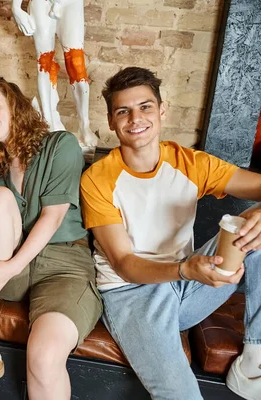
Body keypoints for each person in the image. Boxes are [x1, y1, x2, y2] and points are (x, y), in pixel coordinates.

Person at [80, 66, 261, 400]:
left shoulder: (189, 163)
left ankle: (254, 358)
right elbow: (123, 263)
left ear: (162, 111)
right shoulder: (98, 178)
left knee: (258, 227)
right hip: (131, 293)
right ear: (111, 121)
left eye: (145, 106)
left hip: (188, 286)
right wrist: (184, 269)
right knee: (181, 395)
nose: (136, 118)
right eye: (124, 111)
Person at [0, 77, 101, 399]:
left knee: (44, 356)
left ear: (16, 107)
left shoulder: (60, 145)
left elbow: (53, 216)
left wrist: (7, 269)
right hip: (10, 265)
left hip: (63, 267)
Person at [11, 0, 98, 150]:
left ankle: (84, 125)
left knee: (77, 65)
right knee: (44, 63)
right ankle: (48, 122)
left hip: (70, 3)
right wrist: (16, 7)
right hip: (41, 3)